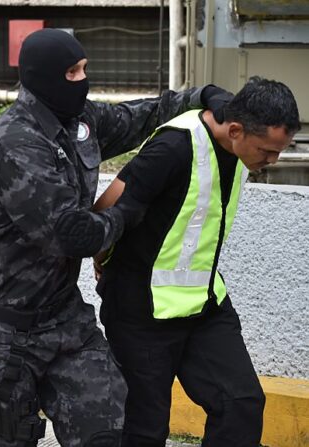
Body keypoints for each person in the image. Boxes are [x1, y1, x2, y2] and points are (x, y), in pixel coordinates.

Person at [0, 29, 233, 447]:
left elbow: (140, 117)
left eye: (85, 68)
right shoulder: (15, 142)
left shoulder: (78, 120)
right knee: (9, 439)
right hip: (3, 328)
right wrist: (129, 211)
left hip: (63, 317)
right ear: (43, 77)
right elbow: (74, 235)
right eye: (73, 71)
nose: (84, 79)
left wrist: (202, 96)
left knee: (108, 433)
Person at [86, 77, 299, 446]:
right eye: (267, 151)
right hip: (141, 312)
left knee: (241, 402)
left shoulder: (238, 134)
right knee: (145, 428)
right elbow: (107, 207)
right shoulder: (174, 147)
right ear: (235, 130)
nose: (272, 161)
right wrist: (103, 257)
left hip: (203, 306)